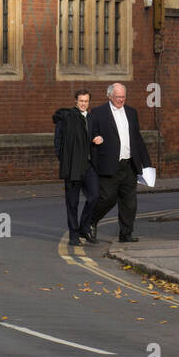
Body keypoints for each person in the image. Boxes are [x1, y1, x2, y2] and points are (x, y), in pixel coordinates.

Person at [88, 82, 151, 243]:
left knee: (129, 202)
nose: (121, 100)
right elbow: (90, 133)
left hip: (129, 164)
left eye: (123, 97)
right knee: (107, 199)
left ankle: (126, 234)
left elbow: (137, 138)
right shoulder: (98, 113)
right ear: (109, 96)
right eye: (118, 97)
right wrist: (95, 138)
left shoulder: (131, 112)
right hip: (109, 164)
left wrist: (147, 163)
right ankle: (90, 221)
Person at [52, 89, 99, 245]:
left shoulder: (91, 118)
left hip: (88, 165)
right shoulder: (67, 118)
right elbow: (58, 141)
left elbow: (90, 138)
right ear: (75, 101)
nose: (83, 104)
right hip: (72, 166)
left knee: (95, 196)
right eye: (81, 101)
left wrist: (96, 139)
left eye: (86, 101)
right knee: (72, 203)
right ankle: (73, 235)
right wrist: (64, 159)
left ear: (89, 102)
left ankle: (84, 227)